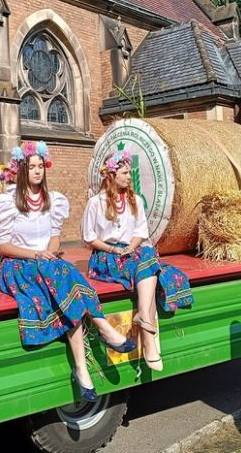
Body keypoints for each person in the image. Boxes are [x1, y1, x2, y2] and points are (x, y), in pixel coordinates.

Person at [0, 141, 136, 402]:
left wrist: (48, 251)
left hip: (47, 262)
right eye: (31, 167)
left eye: (40, 166)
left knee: (64, 282)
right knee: (61, 274)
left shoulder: (53, 200)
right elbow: (3, 247)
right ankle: (104, 329)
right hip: (18, 265)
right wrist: (37, 254)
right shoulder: (8, 202)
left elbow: (55, 238)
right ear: (21, 170)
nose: (37, 171)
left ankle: (82, 369)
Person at [83, 151, 193, 372]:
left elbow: (141, 232)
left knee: (148, 257)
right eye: (124, 173)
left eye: (129, 173)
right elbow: (89, 237)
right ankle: (148, 333)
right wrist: (114, 248)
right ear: (111, 176)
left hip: (130, 250)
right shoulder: (96, 203)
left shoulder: (136, 201)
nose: (129, 178)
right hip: (106, 255)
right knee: (149, 265)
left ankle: (144, 318)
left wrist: (131, 248)